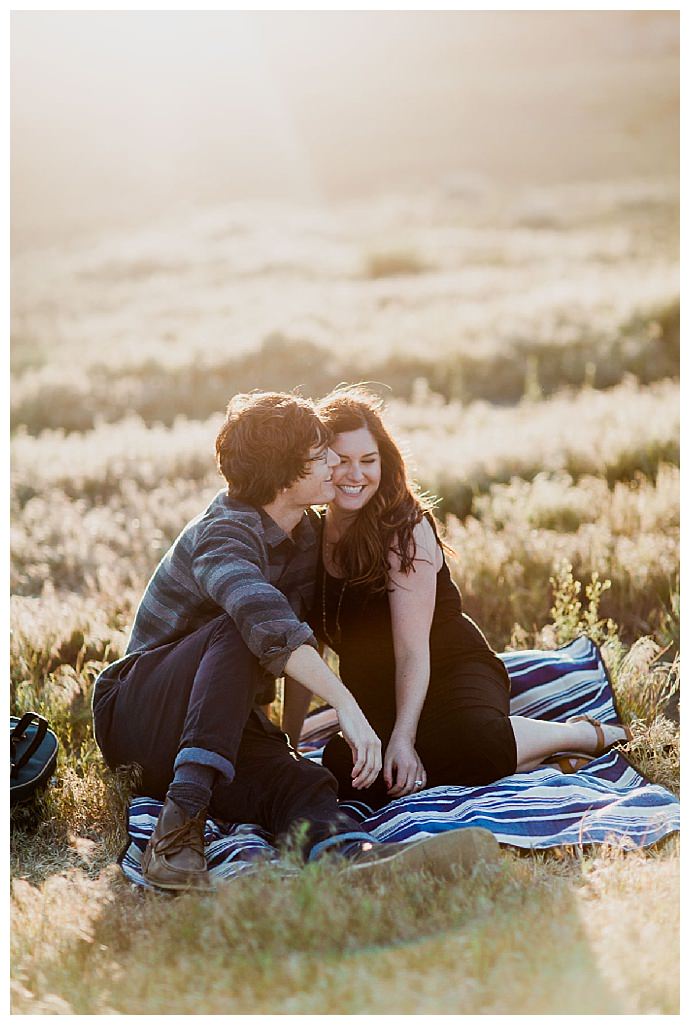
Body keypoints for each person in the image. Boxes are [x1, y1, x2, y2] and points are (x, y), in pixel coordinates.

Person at [92, 390, 499, 891]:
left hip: (215, 731)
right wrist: (346, 707)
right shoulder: (223, 535)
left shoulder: (306, 537)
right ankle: (176, 835)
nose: (334, 462)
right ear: (285, 473)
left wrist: (288, 738)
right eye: (320, 455)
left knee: (303, 781)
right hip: (137, 713)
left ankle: (349, 860)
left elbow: (300, 640)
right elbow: (267, 625)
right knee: (240, 627)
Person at [282, 386, 632, 809]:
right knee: (347, 770)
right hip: (373, 690)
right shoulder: (307, 536)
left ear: (384, 462)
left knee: (472, 739)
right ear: (319, 465)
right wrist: (290, 741)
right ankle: (532, 760)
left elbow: (413, 651)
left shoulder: (403, 529)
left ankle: (579, 735)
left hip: (448, 668)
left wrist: (404, 739)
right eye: (341, 462)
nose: (356, 474)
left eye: (368, 461)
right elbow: (303, 644)